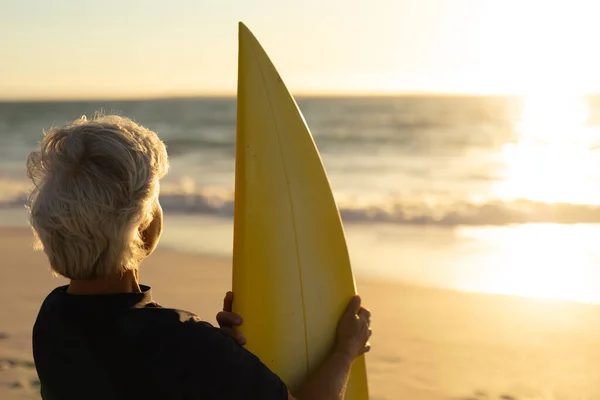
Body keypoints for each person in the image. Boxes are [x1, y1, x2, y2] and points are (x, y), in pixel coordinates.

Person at [28, 114, 372, 400]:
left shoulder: (52, 319)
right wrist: (345, 351)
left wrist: (222, 359)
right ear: (143, 226)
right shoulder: (181, 343)